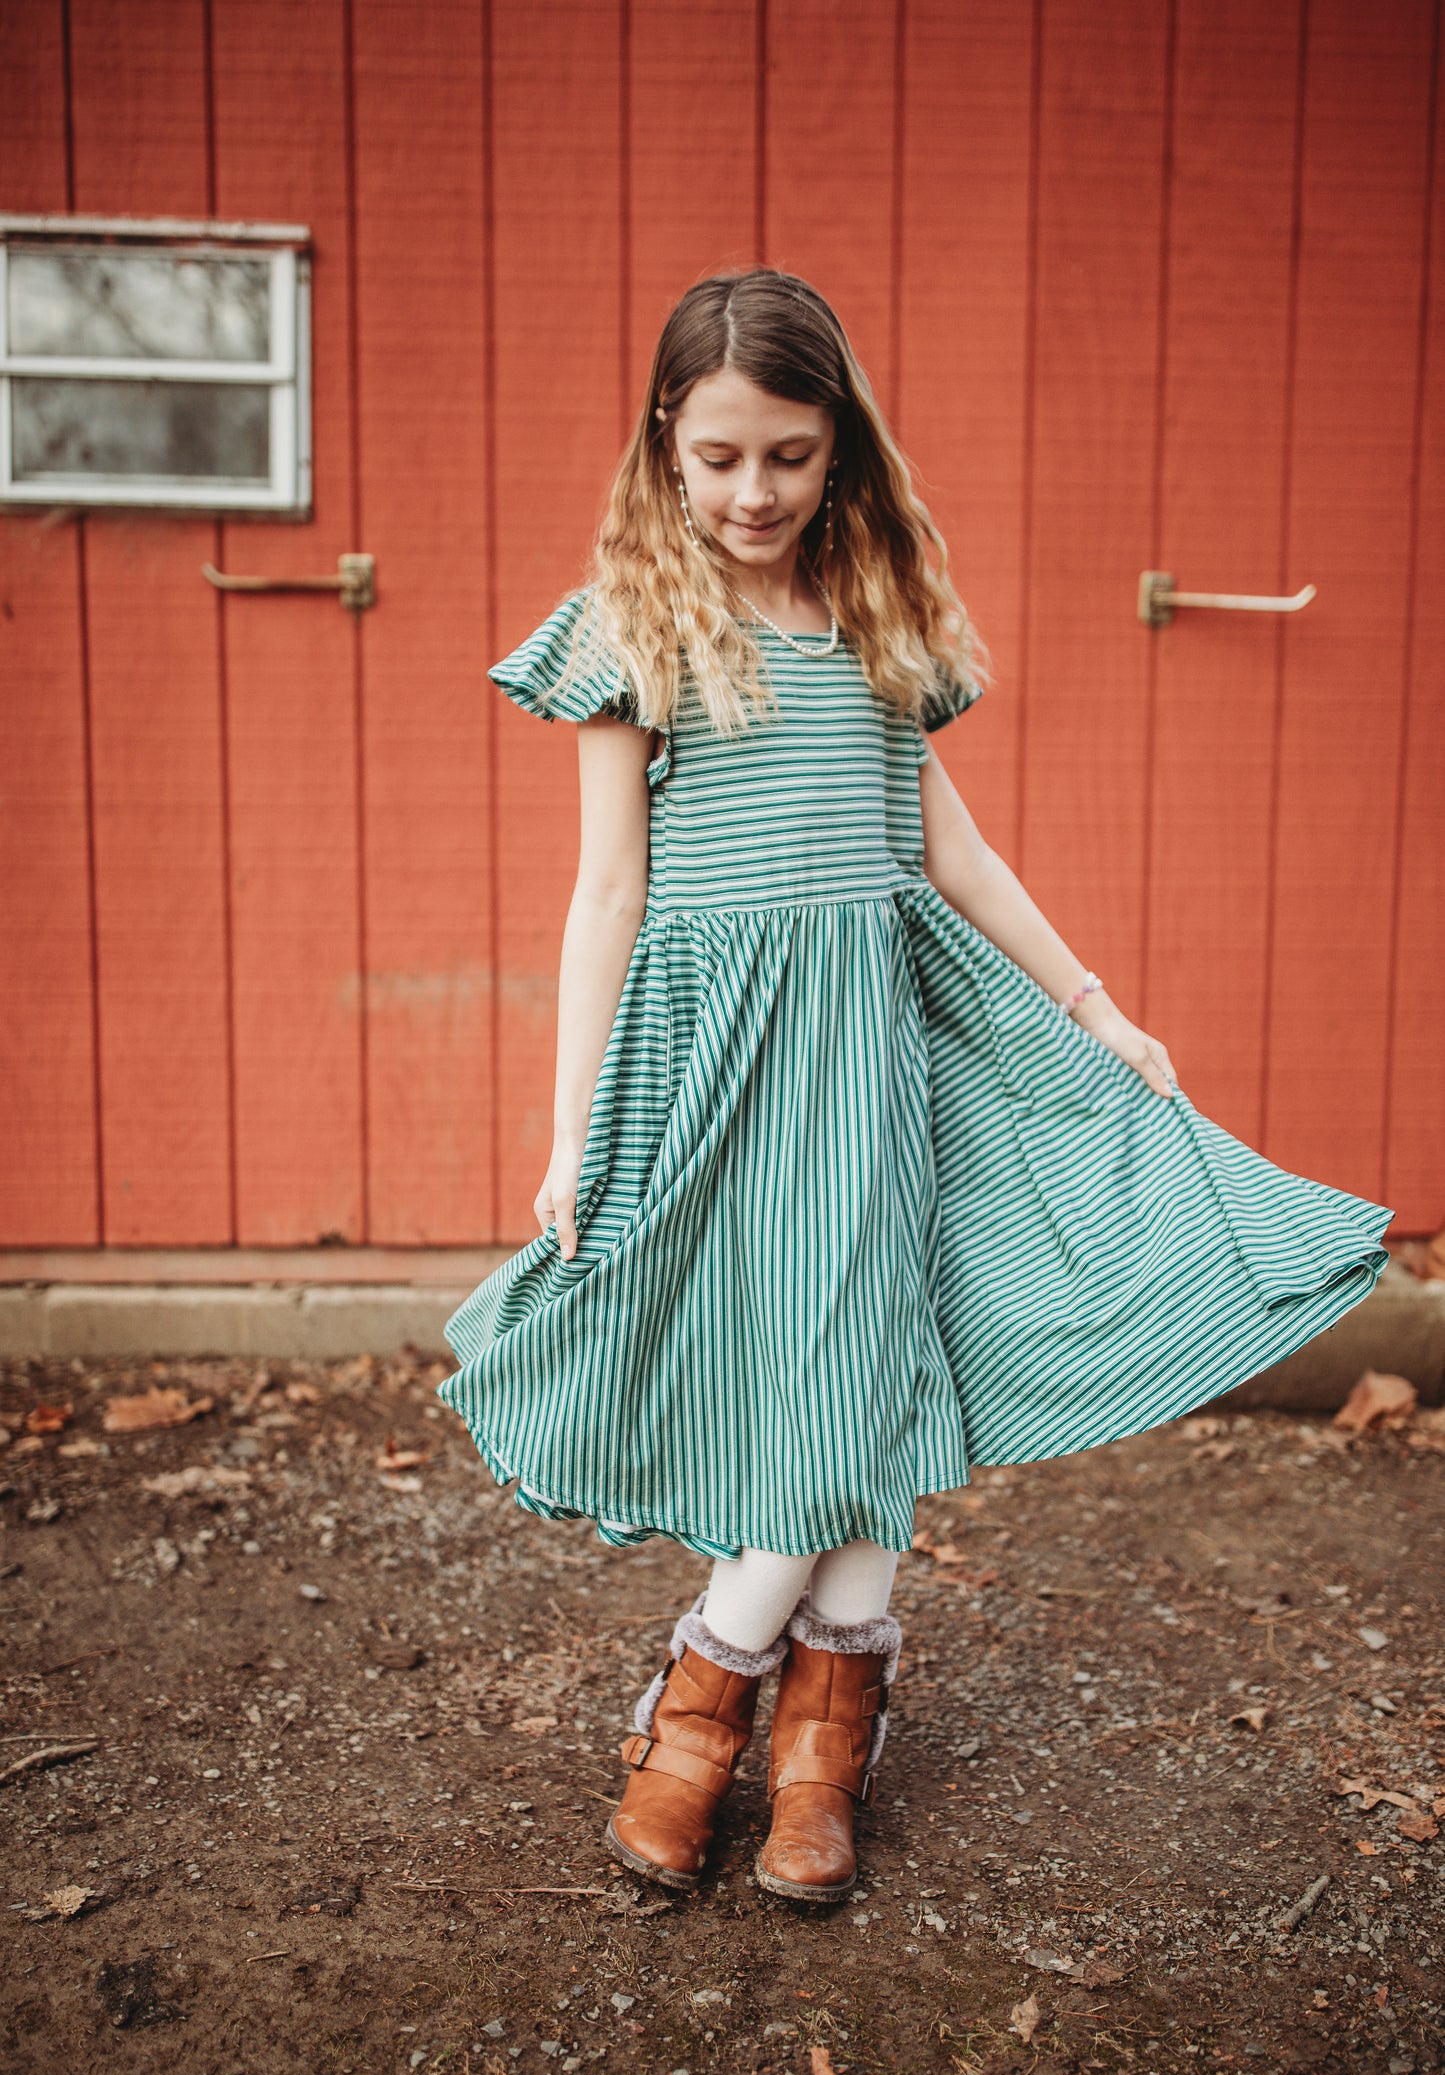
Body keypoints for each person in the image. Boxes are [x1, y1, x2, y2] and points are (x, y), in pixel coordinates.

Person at [436, 268, 1392, 1906]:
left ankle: (729, 1719)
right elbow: (606, 894)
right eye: (722, 454)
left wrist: (1090, 1002)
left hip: (876, 1048)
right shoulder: (629, 628)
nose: (753, 493)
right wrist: (574, 1122)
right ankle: (800, 1715)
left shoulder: (871, 621)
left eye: (788, 458)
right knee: (814, 1374)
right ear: (666, 438)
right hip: (720, 1062)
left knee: (862, 1355)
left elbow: (946, 846)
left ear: (837, 452)